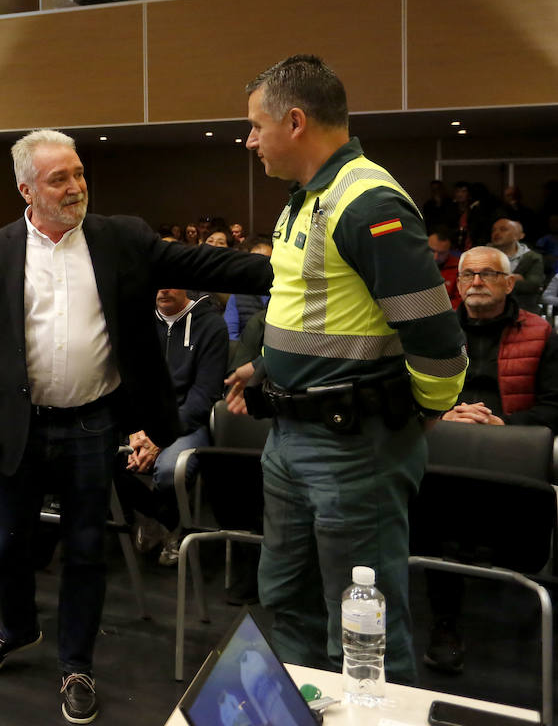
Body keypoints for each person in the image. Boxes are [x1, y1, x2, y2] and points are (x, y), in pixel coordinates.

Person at [0, 128, 270, 725]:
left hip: (93, 425)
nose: (75, 187)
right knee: (6, 545)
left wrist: (291, 272)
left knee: (87, 551)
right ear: (26, 189)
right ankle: (17, 629)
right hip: (18, 424)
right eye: (58, 179)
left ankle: (76, 663)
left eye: (79, 173)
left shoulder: (121, 237)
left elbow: (203, 261)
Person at [226, 55, 466, 683]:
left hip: (354, 447)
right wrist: (266, 366)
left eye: (255, 126)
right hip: (292, 436)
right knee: (289, 600)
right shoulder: (306, 199)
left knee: (364, 631)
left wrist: (420, 415)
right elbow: (313, 310)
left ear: (296, 121)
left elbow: (437, 340)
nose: (249, 140)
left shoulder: (367, 202)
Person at [422, 244, 558, 674]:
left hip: (514, 452)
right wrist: (445, 414)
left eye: (488, 274)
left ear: (510, 282)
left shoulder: (541, 333)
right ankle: (445, 620)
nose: (477, 282)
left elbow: (555, 406)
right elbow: (410, 394)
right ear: (457, 284)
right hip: (445, 446)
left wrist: (505, 427)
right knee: (430, 505)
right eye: (468, 275)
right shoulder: (435, 332)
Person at [120, 287, 230, 567]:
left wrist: (158, 436)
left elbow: (204, 395)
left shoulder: (211, 325)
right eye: (155, 281)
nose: (163, 289)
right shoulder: (137, 321)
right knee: (97, 455)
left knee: (170, 471)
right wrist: (136, 430)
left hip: (187, 421)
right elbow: (125, 384)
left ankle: (164, 521)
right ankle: (162, 518)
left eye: (171, 280)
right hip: (139, 423)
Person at [223, 238, 274, 340]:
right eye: (255, 262)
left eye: (266, 261)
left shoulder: (283, 294)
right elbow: (230, 335)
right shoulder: (238, 295)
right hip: (245, 351)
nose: (260, 267)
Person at [490, 218, 544, 313]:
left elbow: (532, 286)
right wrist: (512, 279)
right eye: (494, 230)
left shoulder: (533, 258)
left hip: (522, 310)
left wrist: (495, 279)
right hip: (488, 308)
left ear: (518, 236)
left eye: (503, 229)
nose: (496, 233)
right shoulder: (480, 254)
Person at [427, 226, 462, 310]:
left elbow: (460, 300)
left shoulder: (460, 268)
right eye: (431, 251)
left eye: (441, 253)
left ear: (450, 251)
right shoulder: (413, 263)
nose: (435, 257)